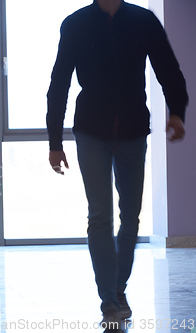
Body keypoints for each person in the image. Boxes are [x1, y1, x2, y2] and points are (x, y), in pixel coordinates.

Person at [46, 0, 188, 326]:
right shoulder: (76, 23)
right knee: (99, 216)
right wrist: (55, 141)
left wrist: (177, 111)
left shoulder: (143, 20)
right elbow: (59, 82)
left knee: (131, 217)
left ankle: (117, 286)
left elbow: (168, 68)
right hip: (91, 132)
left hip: (134, 131)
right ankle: (109, 299)